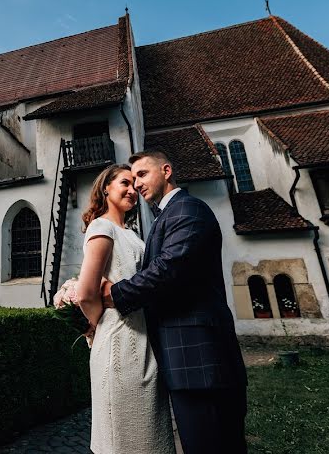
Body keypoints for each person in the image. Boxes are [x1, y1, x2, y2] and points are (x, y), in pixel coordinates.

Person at [101, 150, 248, 454]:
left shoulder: (188, 209)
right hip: (186, 361)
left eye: (142, 174)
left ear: (166, 171)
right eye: (131, 178)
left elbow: (168, 268)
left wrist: (114, 294)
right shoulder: (166, 216)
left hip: (201, 361)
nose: (136, 184)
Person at [76, 164, 175, 454]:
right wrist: (98, 326)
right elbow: (85, 293)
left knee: (151, 435)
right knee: (123, 438)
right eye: (124, 183)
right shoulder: (102, 227)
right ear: (106, 188)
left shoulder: (131, 233)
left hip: (144, 339)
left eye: (135, 184)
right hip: (119, 342)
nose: (132, 190)